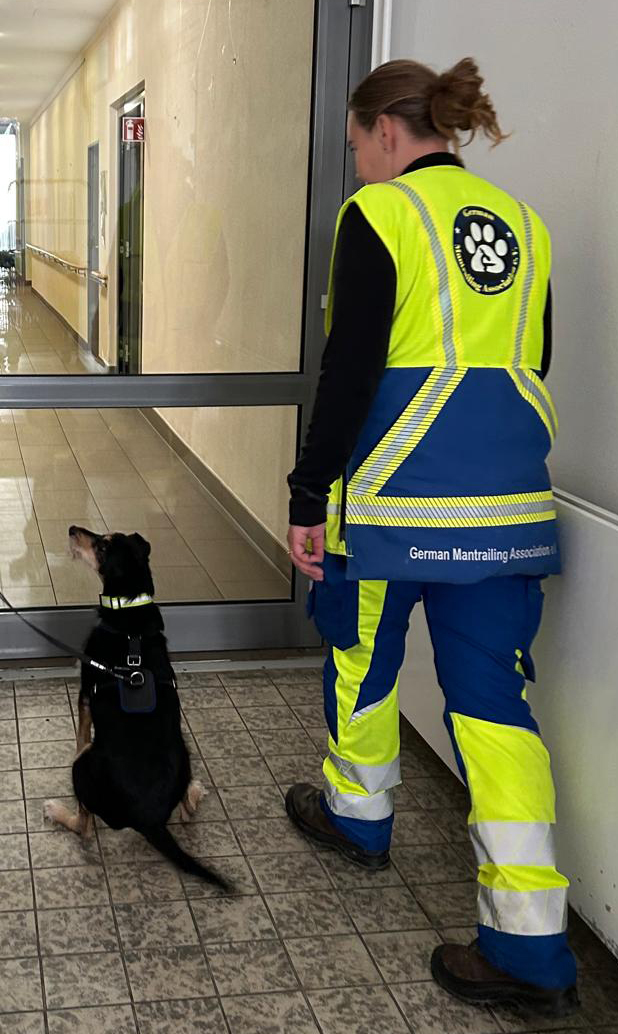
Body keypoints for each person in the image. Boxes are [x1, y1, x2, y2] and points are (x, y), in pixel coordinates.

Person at [283, 58, 578, 1017]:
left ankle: (357, 818)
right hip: (506, 511)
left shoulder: (378, 217)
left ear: (383, 131)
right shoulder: (524, 227)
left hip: (392, 509)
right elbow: (527, 365)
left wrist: (306, 491)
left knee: (361, 661)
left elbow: (350, 372)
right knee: (498, 712)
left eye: (355, 144)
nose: (357, 162)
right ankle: (531, 951)